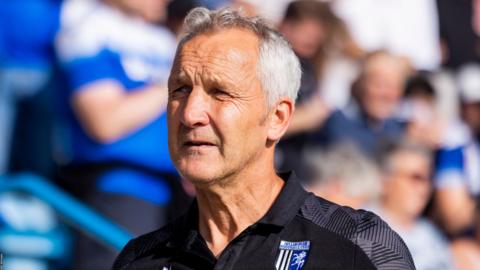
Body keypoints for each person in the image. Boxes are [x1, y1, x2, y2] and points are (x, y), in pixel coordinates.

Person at [113, 7, 415, 269]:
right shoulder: (138, 260)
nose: (191, 113)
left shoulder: (359, 247)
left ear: (277, 117)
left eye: (220, 92)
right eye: (180, 89)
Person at [55, 0, 189, 268]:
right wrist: (174, 81)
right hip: (120, 189)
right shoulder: (88, 28)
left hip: (176, 194)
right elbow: (104, 123)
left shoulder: (161, 38)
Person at [371, 141, 455, 270]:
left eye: (428, 179)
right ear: (385, 181)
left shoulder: (431, 234)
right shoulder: (364, 228)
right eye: (416, 178)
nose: (424, 188)